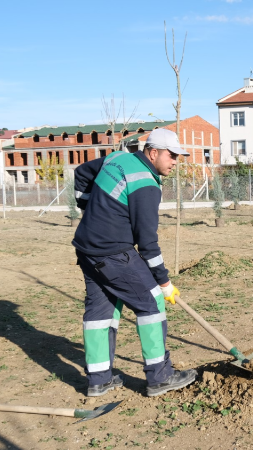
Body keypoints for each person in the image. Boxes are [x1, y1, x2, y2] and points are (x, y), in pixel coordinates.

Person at [72, 128, 196, 398]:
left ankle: (99, 379)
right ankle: (160, 377)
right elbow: (148, 243)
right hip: (114, 253)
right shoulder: (147, 186)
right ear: (153, 153)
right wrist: (163, 283)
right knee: (151, 303)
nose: (175, 161)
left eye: (178, 156)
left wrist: (91, 209)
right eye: (171, 155)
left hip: (86, 249)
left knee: (100, 312)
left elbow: (81, 173)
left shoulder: (116, 158)